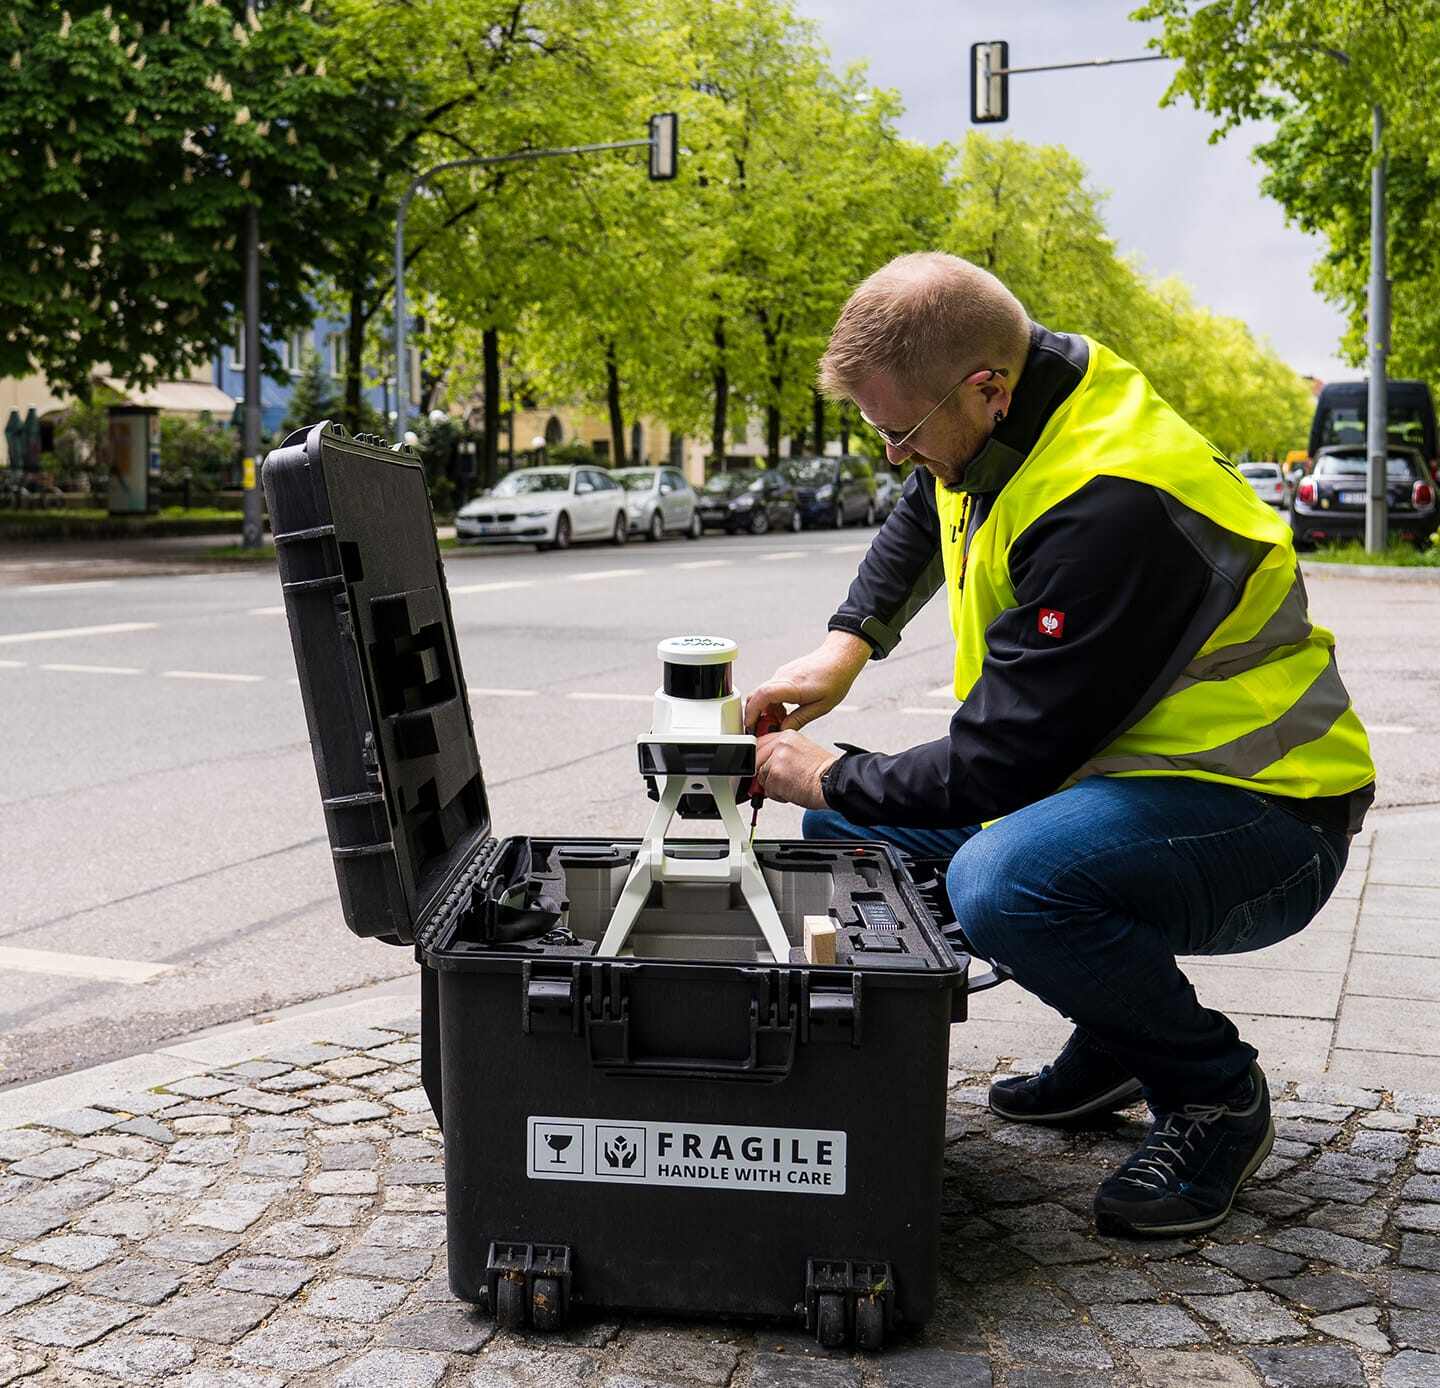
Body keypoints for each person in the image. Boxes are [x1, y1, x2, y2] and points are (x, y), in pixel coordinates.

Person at [747, 251, 1375, 1238]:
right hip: (1121, 785)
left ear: (986, 389)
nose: (896, 456)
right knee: (846, 830)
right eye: (878, 430)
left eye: (899, 431)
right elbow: (928, 506)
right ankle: (1120, 1029)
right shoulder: (1007, 409)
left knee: (1000, 880)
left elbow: (1000, 763)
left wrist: (824, 770)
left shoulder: (1110, 499)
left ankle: (1212, 1094)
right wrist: (844, 647)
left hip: (1268, 817)